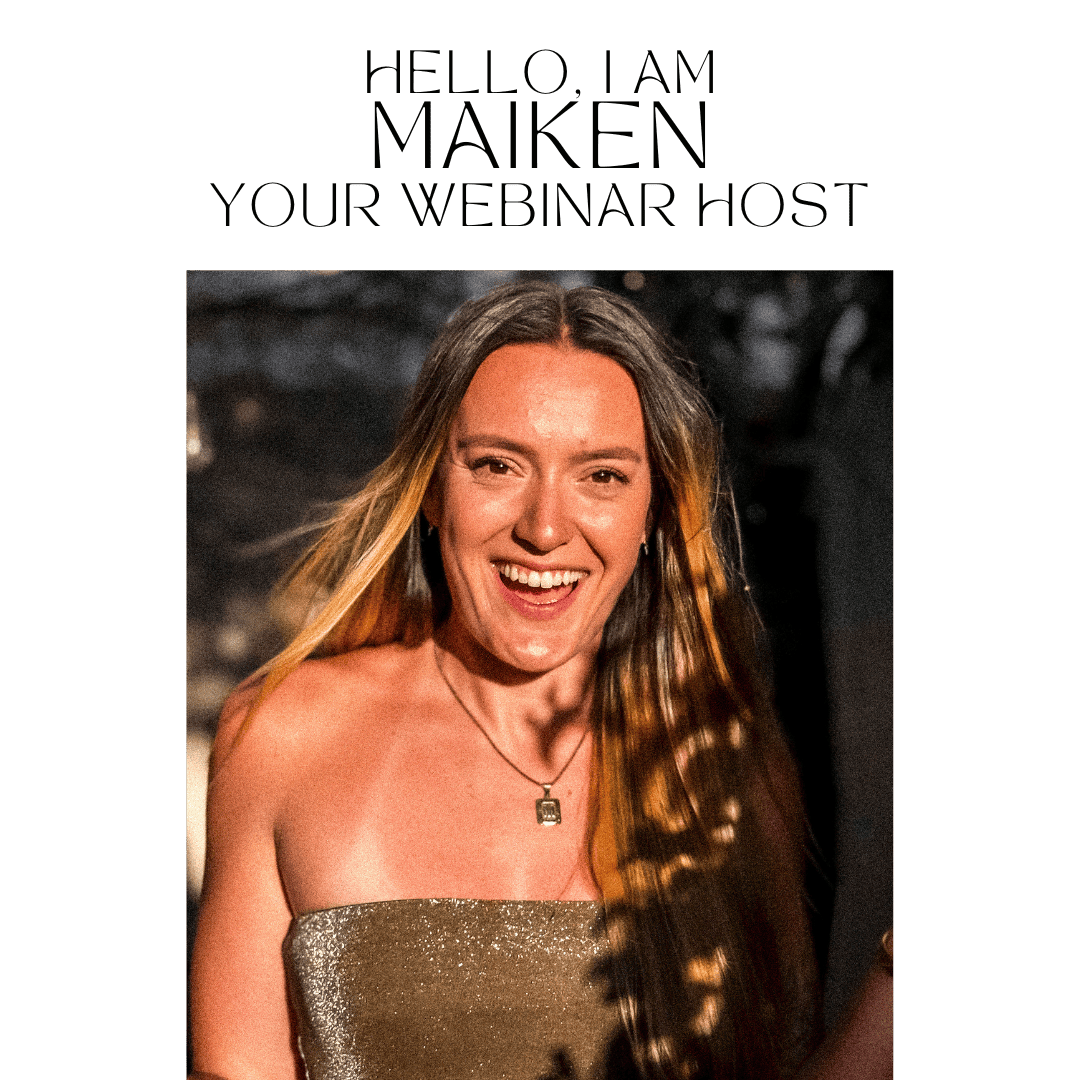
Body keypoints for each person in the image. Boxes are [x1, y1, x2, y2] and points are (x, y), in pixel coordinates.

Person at [189, 282, 892, 1080]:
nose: (545, 528)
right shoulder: (284, 734)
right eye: (498, 466)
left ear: (655, 512)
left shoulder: (725, 761)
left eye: (602, 477)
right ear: (431, 488)